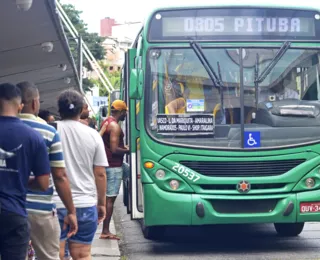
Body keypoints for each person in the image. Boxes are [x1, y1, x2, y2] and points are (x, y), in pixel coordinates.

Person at [16, 81, 78, 260]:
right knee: (49, 256)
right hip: (40, 210)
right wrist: (71, 211)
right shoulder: (48, 131)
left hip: (7, 207)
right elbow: (59, 176)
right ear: (35, 103)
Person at [53, 90, 109, 260]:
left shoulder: (50, 130)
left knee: (57, 254)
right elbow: (100, 173)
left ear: (59, 109)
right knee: (83, 255)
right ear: (82, 109)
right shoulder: (93, 135)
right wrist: (101, 203)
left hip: (55, 204)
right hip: (85, 204)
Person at [0, 83, 50, 260]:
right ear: (20, 105)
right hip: (14, 213)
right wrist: (23, 180)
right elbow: (44, 183)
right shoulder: (33, 136)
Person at [100, 100, 130, 240]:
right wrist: (127, 150)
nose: (126, 115)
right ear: (122, 112)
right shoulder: (115, 126)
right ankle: (105, 231)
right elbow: (114, 149)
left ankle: (105, 229)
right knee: (110, 199)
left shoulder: (107, 122)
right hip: (113, 166)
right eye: (125, 112)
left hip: (109, 165)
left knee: (108, 198)